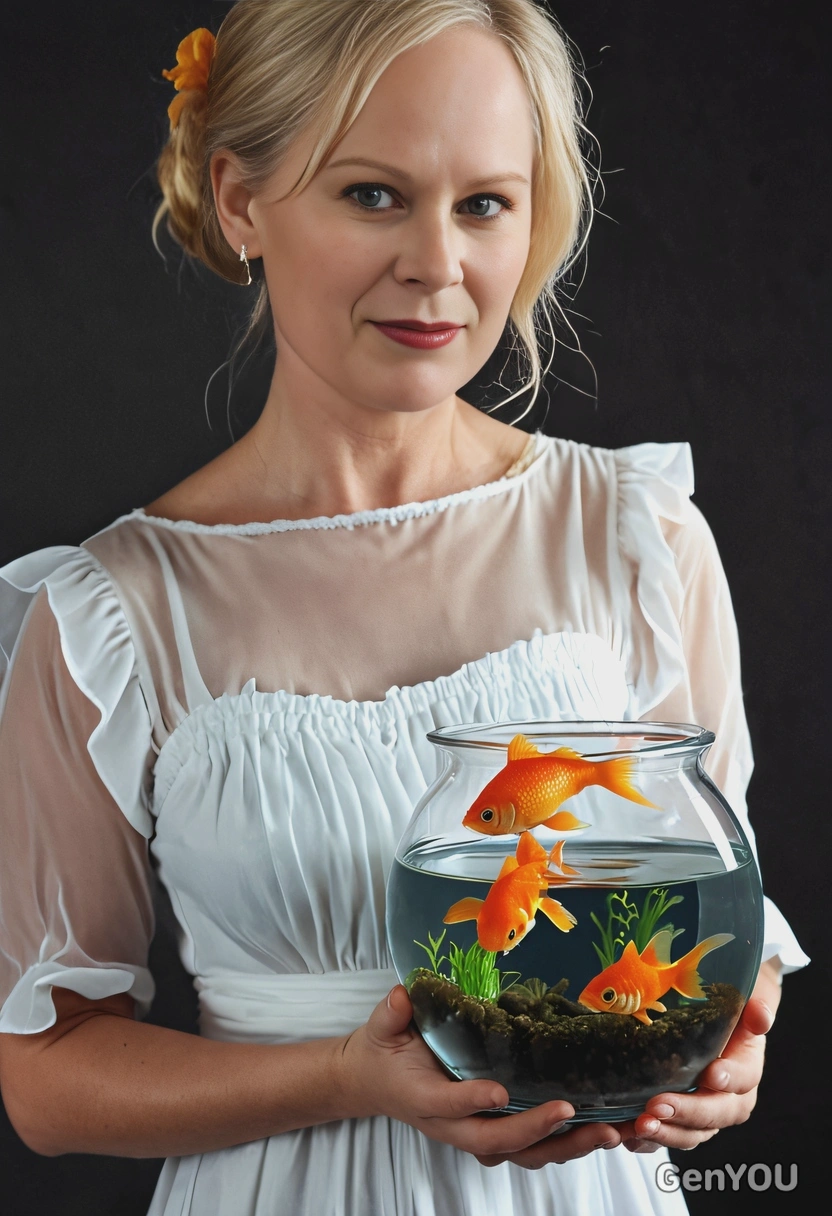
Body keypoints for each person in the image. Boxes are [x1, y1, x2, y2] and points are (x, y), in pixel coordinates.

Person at [0, 2, 809, 1214]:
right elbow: (46, 1080)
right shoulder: (110, 615)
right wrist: (344, 1076)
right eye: (374, 194)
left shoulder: (639, 539)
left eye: (482, 203)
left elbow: (733, 922)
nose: (437, 264)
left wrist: (728, 1055)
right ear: (239, 201)